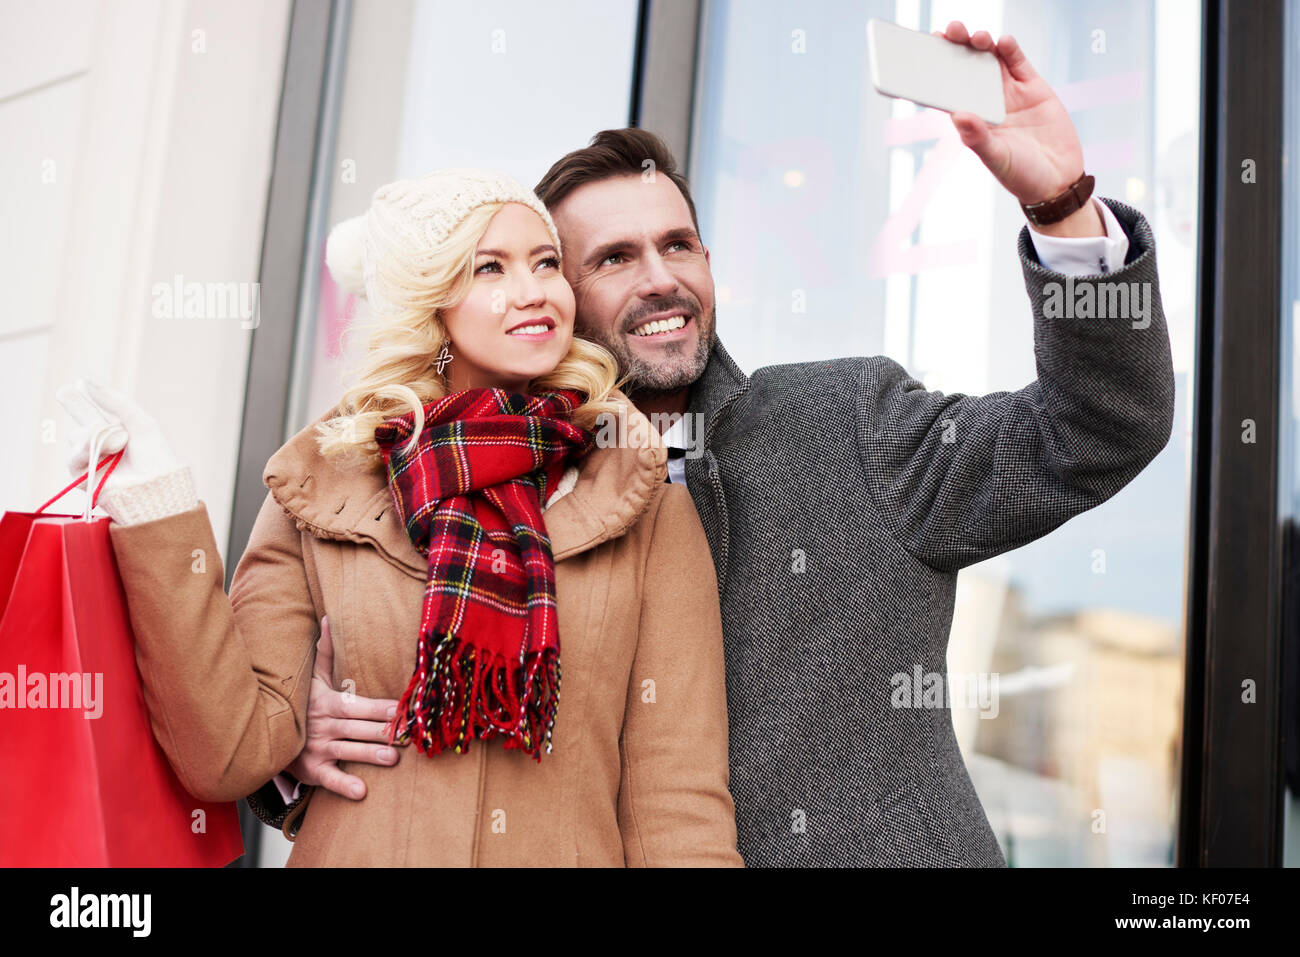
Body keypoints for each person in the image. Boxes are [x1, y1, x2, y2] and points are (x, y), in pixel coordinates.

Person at [256, 24, 1176, 867]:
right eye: (613, 259)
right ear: (556, 299)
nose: (661, 279)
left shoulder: (848, 419)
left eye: (680, 245)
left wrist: (1062, 207)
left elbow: (1095, 427)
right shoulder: (474, 495)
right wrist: (290, 734)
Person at [61, 169, 742, 867]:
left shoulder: (645, 502)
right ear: (428, 301)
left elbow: (678, 807)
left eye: (545, 262)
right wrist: (159, 508)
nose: (534, 289)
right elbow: (229, 751)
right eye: (489, 267)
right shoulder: (321, 490)